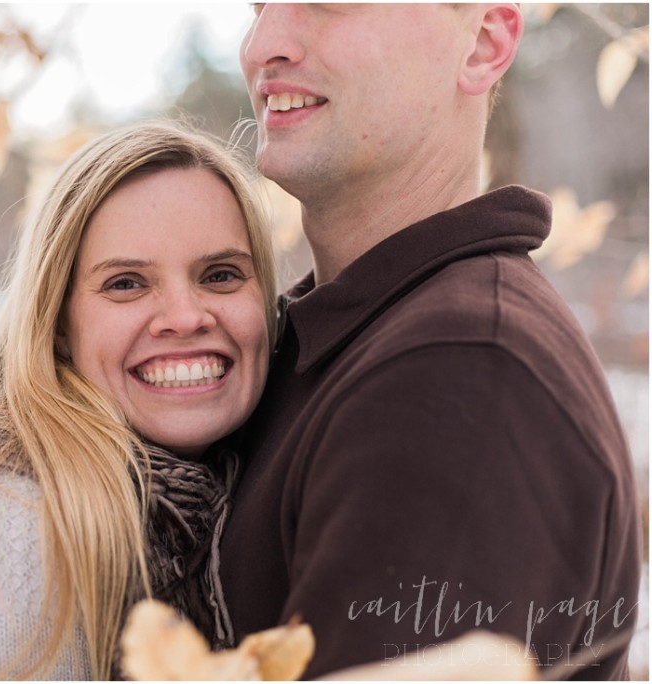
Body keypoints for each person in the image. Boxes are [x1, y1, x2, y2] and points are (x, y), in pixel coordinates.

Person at [219, 3, 642, 680]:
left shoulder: (460, 375)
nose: (261, 44)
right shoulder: (321, 344)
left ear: (480, 44)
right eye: (257, 5)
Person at [0, 121, 279, 680]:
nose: (186, 317)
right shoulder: (7, 526)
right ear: (57, 323)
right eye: (127, 283)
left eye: (221, 274)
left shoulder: (235, 488)